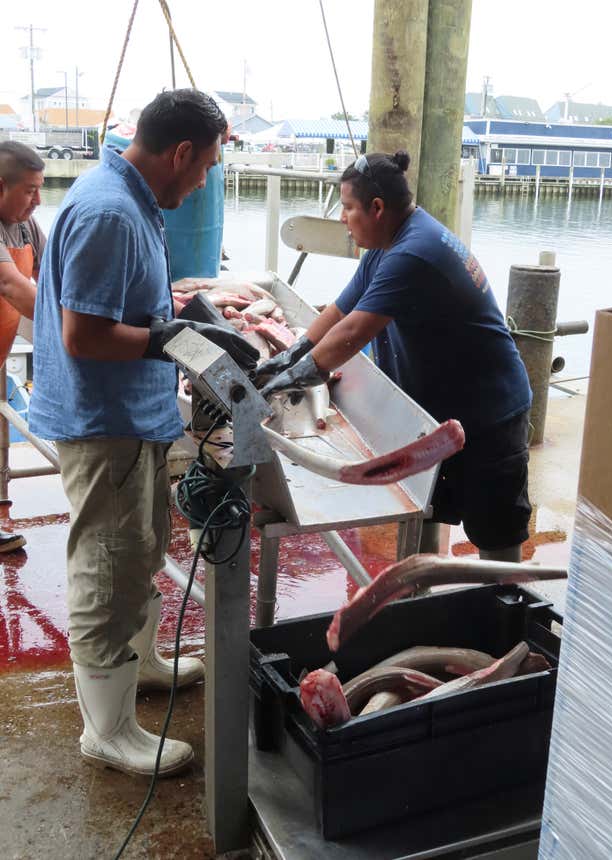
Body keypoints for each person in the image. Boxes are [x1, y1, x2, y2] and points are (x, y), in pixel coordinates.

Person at [29, 89, 259, 777]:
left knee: (141, 547)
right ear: (181, 152)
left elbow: (129, 305)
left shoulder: (130, 200)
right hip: (106, 423)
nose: (203, 181)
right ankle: (108, 729)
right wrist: (174, 340)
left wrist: (189, 313)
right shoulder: (109, 212)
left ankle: (144, 664)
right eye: (206, 166)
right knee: (107, 562)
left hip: (137, 414)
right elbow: (86, 335)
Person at [258, 150, 532, 563]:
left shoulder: (413, 254)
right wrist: (287, 358)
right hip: (438, 413)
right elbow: (337, 313)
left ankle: (505, 615)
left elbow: (352, 334)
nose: (342, 219)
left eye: (348, 208)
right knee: (424, 506)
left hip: (489, 415)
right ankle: (419, 603)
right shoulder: (386, 247)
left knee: (495, 534)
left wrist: (292, 380)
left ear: (378, 208)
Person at [0, 141, 46, 554]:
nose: (37, 200)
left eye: (41, 188)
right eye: (29, 190)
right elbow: (11, 284)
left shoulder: (27, 227)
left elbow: (56, 272)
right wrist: (75, 327)